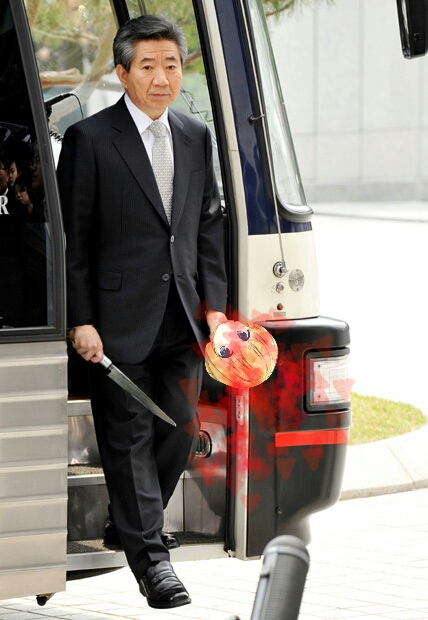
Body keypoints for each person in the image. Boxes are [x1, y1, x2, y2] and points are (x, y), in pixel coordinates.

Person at [56, 14, 227, 610]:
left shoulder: (195, 135)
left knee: (181, 428)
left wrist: (215, 311)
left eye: (171, 65)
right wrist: (79, 318)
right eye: (148, 66)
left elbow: (207, 228)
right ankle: (153, 563)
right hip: (113, 323)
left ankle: (126, 523)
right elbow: (73, 238)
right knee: (127, 439)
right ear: (123, 73)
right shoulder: (89, 139)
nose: (162, 78)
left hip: (182, 317)